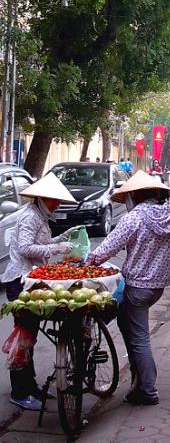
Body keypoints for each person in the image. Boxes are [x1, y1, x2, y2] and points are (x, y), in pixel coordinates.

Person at [87, 171, 170, 406]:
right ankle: (138, 382)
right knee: (126, 325)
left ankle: (148, 390)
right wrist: (166, 247)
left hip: (136, 287)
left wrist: (88, 260)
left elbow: (107, 247)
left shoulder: (134, 218)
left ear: (135, 196)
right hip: (157, 288)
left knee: (139, 340)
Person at [1, 173, 79, 411]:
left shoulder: (40, 217)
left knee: (31, 336)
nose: (57, 205)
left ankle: (30, 384)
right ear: (42, 199)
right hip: (20, 282)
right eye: (54, 201)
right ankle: (19, 391)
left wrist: (62, 238)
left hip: (32, 279)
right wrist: (56, 247)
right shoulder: (30, 217)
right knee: (25, 336)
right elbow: (26, 248)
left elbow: (40, 246)